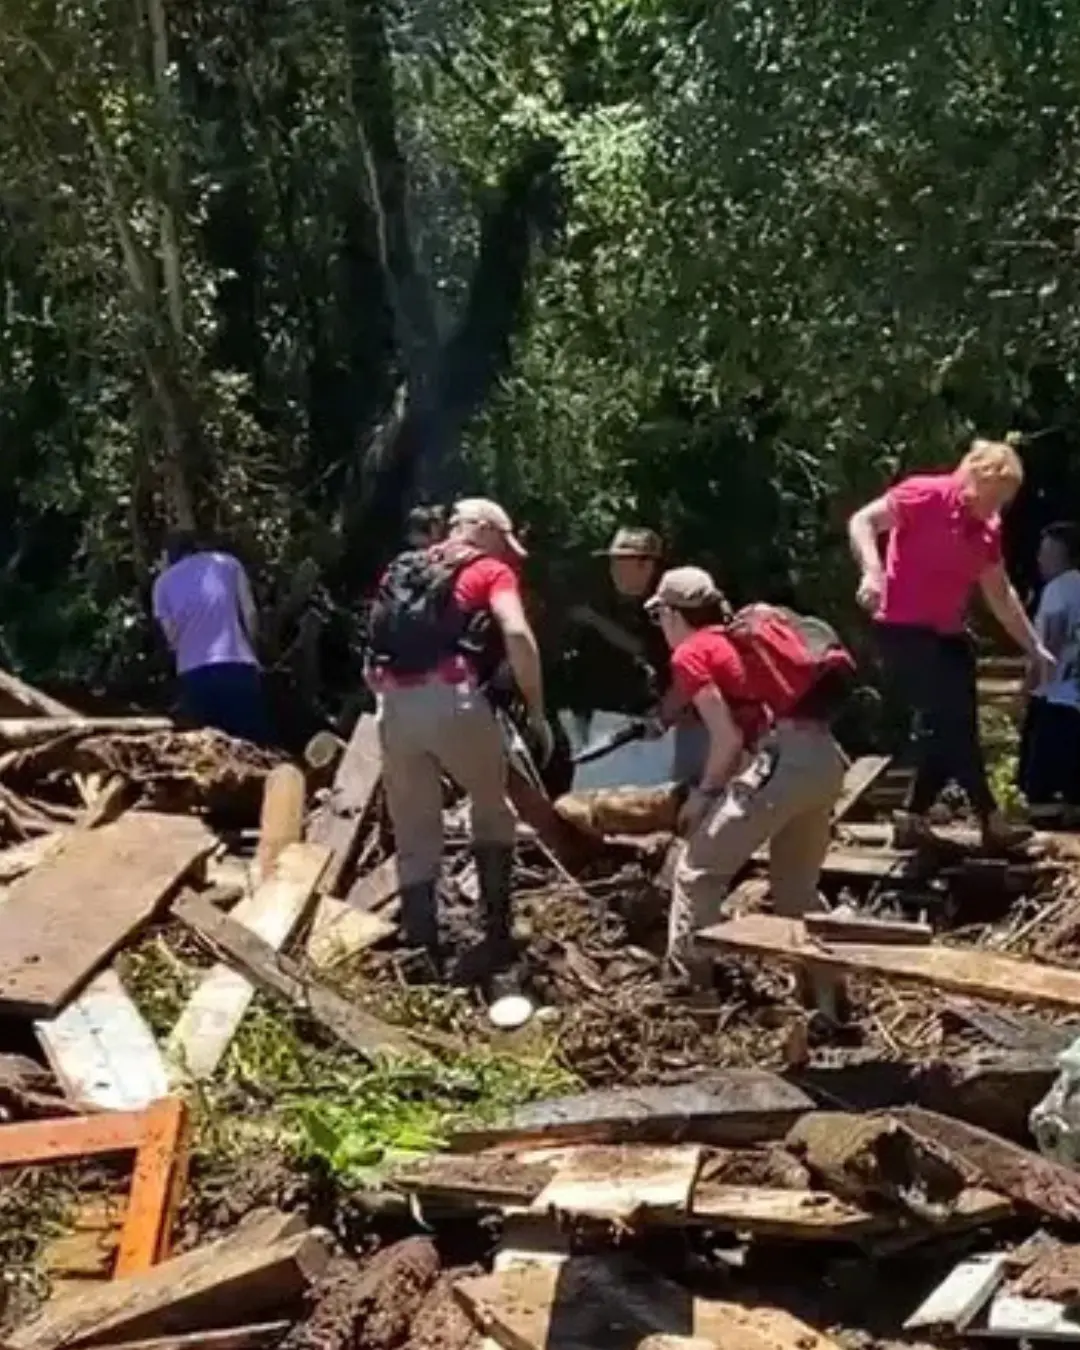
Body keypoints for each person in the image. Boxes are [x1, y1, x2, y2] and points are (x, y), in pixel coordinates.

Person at [648, 567, 852, 1022]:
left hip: (784, 765)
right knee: (796, 889)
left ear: (671, 613)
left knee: (697, 872)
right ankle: (830, 996)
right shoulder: (740, 643)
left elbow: (727, 739)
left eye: (659, 615)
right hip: (825, 760)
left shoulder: (692, 652)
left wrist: (704, 797)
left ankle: (690, 993)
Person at [366, 497, 553, 980]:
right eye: (504, 542)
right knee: (493, 810)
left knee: (414, 831)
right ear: (485, 531)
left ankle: (421, 951)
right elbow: (517, 633)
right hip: (454, 697)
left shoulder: (403, 567)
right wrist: (536, 709)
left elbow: (376, 640)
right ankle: (496, 934)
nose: (509, 554)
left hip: (394, 705)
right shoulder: (488, 571)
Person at [848, 439, 1054, 852]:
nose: (996, 509)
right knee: (950, 724)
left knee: (950, 726)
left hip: (947, 632)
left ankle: (912, 817)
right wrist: (872, 572)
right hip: (903, 630)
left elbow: (1000, 594)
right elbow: (863, 522)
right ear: (976, 479)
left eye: (1004, 502)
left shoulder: (988, 529)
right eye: (994, 497)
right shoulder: (924, 494)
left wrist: (1033, 646)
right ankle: (991, 818)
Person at [575, 527, 709, 784]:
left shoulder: (672, 605)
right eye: (613, 562)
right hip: (635, 718)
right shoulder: (623, 602)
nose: (614, 570)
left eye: (622, 562)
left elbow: (656, 654)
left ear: (647, 565)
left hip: (679, 720)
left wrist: (664, 715)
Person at [152, 531, 268, 744]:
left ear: (167, 556)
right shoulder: (228, 564)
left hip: (194, 674)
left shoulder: (162, 584)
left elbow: (172, 638)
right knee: (255, 745)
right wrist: (254, 653)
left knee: (212, 750)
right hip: (238, 665)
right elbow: (250, 613)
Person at [1018, 522, 1080, 815]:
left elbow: (1050, 645)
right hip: (1074, 693)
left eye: (1047, 553)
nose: (1040, 560)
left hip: (1054, 695)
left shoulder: (1057, 589)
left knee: (1036, 782)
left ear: (1064, 555)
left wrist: (1029, 685)